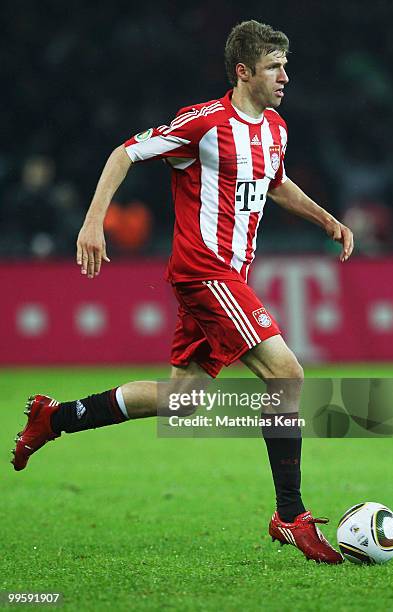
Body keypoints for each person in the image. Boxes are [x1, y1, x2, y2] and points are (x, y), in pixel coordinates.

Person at [12, 20, 353, 564]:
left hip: (231, 276)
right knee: (287, 373)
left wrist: (325, 219)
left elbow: (275, 181)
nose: (286, 76)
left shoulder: (275, 129)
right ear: (244, 72)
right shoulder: (203, 124)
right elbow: (124, 154)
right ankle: (289, 514)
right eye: (274, 67)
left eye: (286, 65)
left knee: (182, 402)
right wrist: (93, 221)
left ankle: (55, 418)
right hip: (206, 273)